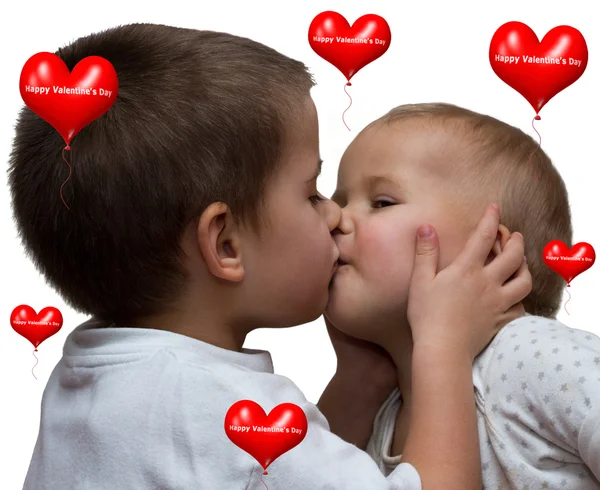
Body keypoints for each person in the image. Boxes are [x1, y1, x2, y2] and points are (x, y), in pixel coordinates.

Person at [9, 25, 529, 489]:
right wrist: (444, 345)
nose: (336, 216)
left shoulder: (90, 377)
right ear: (226, 245)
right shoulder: (212, 408)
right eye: (311, 194)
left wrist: (357, 382)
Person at [323, 102, 600, 489]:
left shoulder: (524, 358)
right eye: (338, 202)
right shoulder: (383, 418)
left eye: (381, 202)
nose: (336, 219)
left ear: (489, 252)